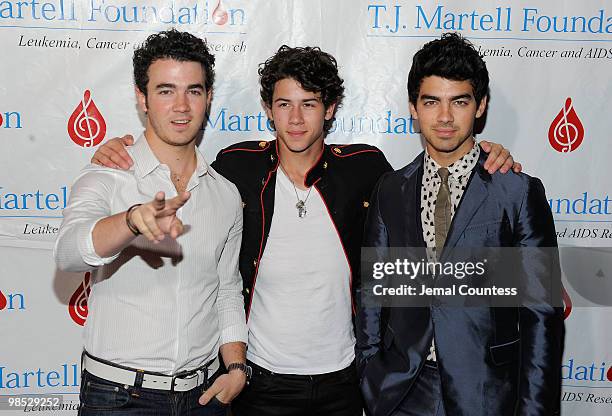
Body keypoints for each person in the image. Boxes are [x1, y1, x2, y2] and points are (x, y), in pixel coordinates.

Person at [91, 45, 519, 415]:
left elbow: (428, 186)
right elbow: (176, 162)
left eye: (310, 103)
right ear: (268, 109)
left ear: (330, 109)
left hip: (345, 381)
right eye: (283, 104)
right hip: (258, 382)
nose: (295, 119)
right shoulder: (236, 168)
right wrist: (122, 147)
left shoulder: (366, 169)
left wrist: (488, 158)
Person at [355, 32, 564, 416]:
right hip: (402, 392)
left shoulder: (516, 192)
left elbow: (541, 314)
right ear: (413, 108)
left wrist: (534, 410)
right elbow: (373, 291)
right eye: (431, 102)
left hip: (486, 391)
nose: (446, 117)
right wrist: (370, 368)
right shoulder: (390, 189)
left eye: (460, 101)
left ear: (480, 106)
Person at [54, 29, 250, 415]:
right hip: (119, 397)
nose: (181, 106)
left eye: (193, 91)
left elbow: (227, 288)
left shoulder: (225, 194)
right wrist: (129, 222)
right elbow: (69, 253)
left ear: (208, 98)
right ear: (142, 99)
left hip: (205, 396)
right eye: (165, 90)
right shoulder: (107, 175)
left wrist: (237, 367)